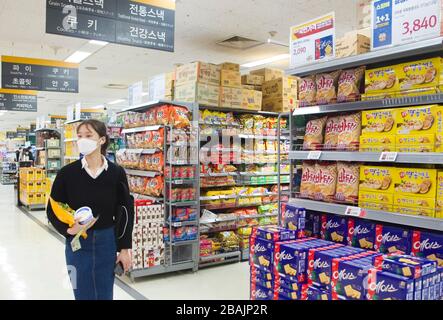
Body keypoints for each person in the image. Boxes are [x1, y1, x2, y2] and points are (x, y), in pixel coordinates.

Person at [46, 119, 134, 300]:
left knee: (105, 293)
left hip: (106, 242)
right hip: (77, 243)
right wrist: (69, 229)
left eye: (88, 135)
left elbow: (125, 210)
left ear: (102, 140)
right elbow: (52, 209)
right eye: (79, 136)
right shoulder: (67, 173)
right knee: (82, 293)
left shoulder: (116, 173)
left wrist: (124, 249)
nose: (82, 140)